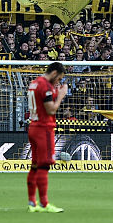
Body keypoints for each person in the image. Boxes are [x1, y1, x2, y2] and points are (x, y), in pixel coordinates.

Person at [25, 62, 68, 213]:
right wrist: (61, 96)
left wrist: (55, 92)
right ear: (54, 73)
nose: (58, 82)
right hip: (44, 129)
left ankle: (32, 203)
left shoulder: (34, 83)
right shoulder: (45, 85)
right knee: (44, 166)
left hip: (33, 127)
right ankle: (44, 203)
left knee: (35, 166)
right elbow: (51, 110)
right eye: (59, 78)